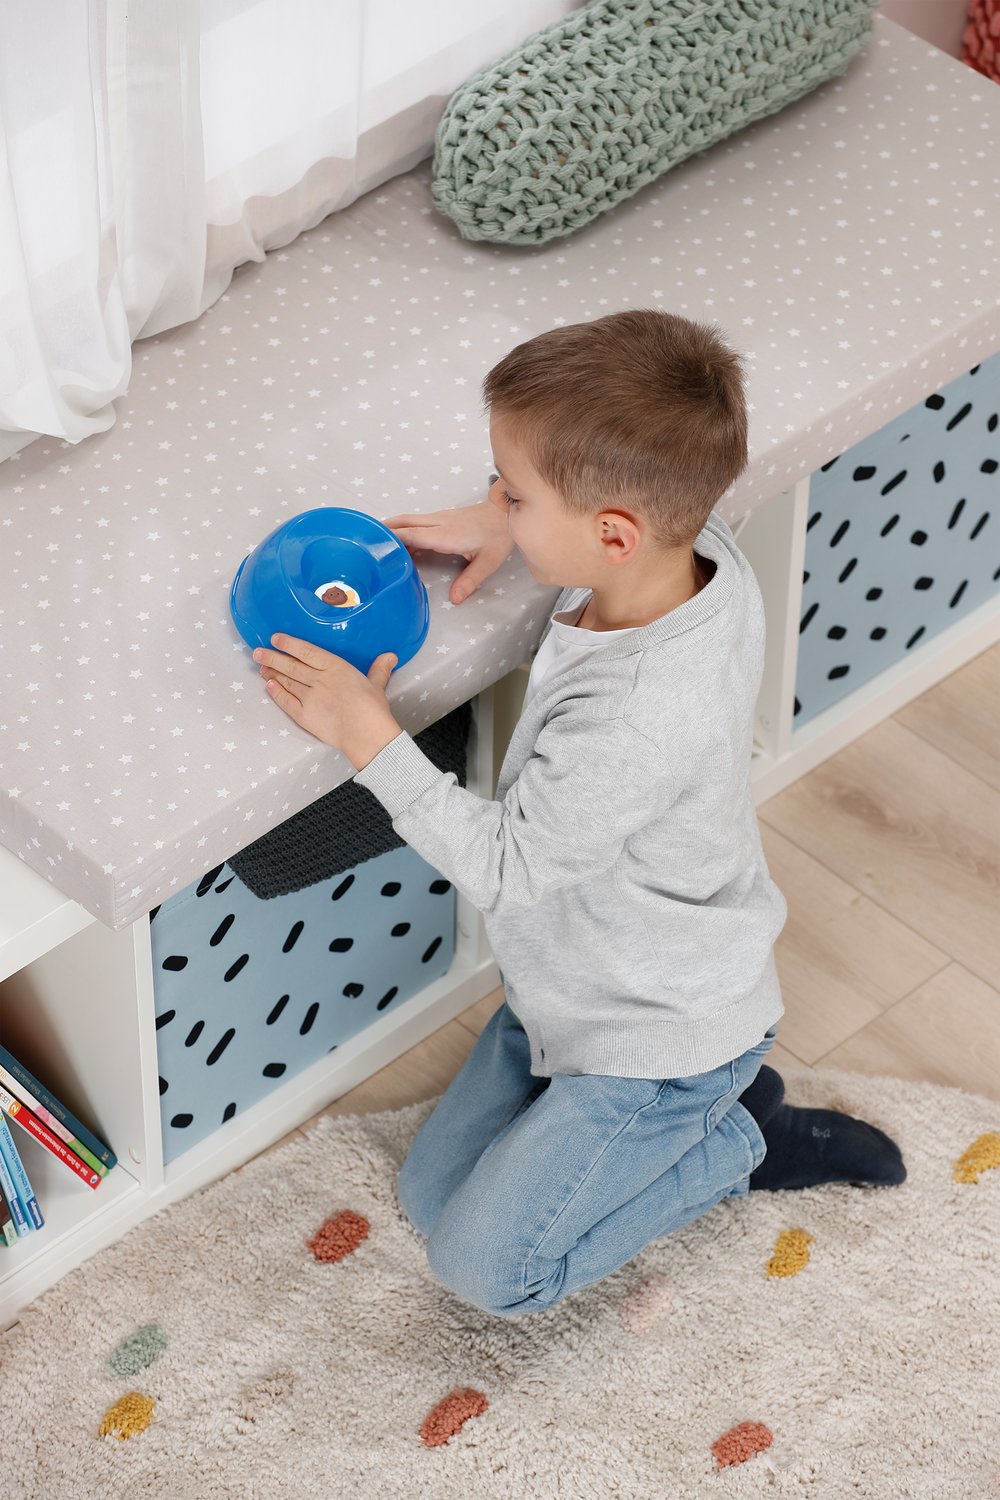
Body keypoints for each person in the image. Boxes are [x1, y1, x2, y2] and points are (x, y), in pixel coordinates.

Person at [252, 310, 906, 1319]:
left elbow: (507, 868)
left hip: (662, 1037)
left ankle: (740, 1137)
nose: (501, 504)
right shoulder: (696, 550)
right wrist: (502, 522)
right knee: (429, 1196)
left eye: (514, 494)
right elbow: (639, 493)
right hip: (575, 992)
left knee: (485, 1270)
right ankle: (648, 1114)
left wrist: (366, 735)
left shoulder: (639, 715)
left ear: (611, 535)